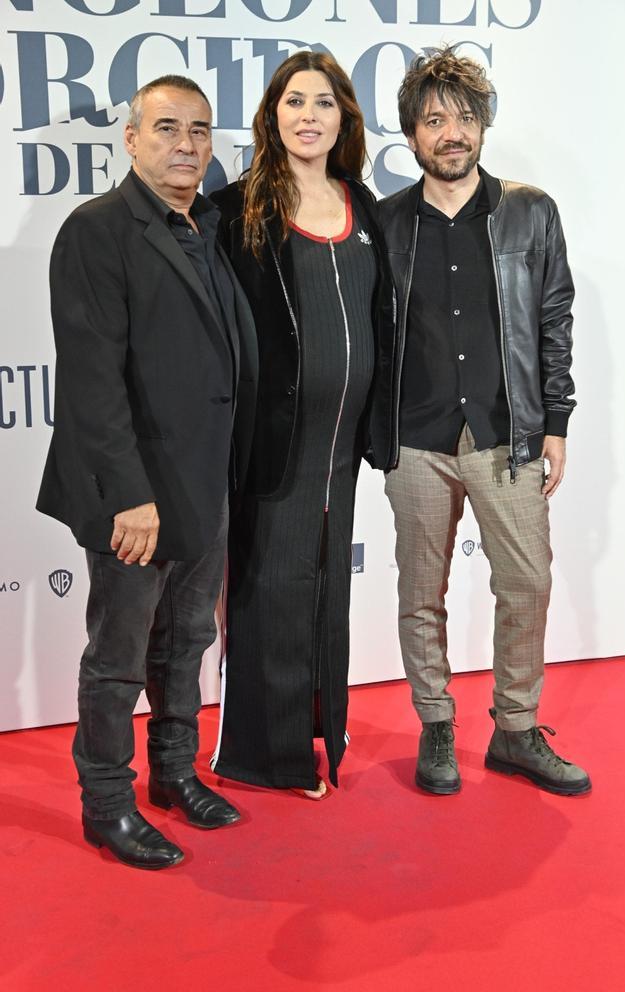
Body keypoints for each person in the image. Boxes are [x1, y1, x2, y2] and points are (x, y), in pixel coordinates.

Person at [37, 75, 258, 868]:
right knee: (120, 657)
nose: (187, 145)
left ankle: (172, 776)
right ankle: (106, 805)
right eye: (167, 128)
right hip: (134, 492)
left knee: (189, 640)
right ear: (130, 139)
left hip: (204, 483)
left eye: (200, 131)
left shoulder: (207, 226)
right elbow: (91, 380)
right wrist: (130, 495)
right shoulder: (96, 230)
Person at [379, 46, 591, 797]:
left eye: (465, 117)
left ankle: (516, 728)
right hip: (414, 441)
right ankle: (436, 724)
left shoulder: (531, 212)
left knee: (527, 584)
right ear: (410, 136)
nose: (452, 132)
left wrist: (555, 422)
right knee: (418, 593)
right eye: (434, 120)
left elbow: (553, 321)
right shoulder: (384, 225)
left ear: (483, 127)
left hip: (508, 437)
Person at [209, 51, 397, 799]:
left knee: (326, 597)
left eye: (324, 102)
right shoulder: (237, 208)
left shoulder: (366, 206)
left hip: (342, 450)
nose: (309, 116)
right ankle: (268, 756)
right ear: (272, 114)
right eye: (295, 101)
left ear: (344, 117)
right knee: (271, 592)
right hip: (271, 444)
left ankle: (324, 734)